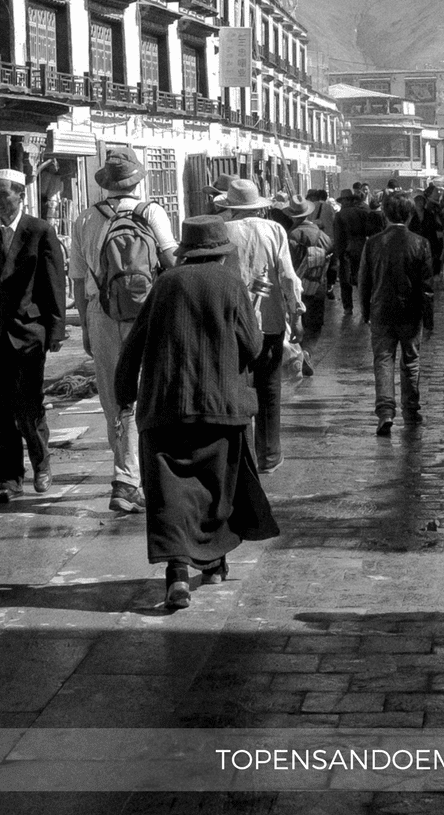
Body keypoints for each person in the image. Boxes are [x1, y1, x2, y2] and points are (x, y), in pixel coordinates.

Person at [115, 215, 277, 609]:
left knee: (170, 496)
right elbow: (253, 348)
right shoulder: (232, 285)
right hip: (220, 407)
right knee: (214, 491)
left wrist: (124, 395)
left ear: (187, 251)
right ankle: (215, 561)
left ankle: (177, 576)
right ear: (222, 254)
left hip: (165, 407)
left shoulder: (164, 285)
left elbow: (133, 346)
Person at [69, 147, 177, 514]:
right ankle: (137, 478)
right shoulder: (151, 212)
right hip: (145, 313)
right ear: (138, 180)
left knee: (114, 398)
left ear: (106, 184)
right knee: (148, 391)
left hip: (101, 313)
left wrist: (85, 326)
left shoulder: (85, 219)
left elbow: (78, 280)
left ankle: (125, 476)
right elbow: (171, 261)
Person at [222, 178, 305, 474]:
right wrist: (296, 314)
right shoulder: (274, 230)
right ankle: (270, 455)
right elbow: (287, 277)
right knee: (269, 389)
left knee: (236, 388)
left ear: (231, 206)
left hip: (232, 322)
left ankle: (241, 456)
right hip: (269, 321)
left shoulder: (223, 231)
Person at [0, 167, 66, 501]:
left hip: (28, 333)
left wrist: (55, 330)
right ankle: (10, 477)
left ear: (20, 195)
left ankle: (41, 463)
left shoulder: (39, 231)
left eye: (3, 194)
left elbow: (54, 283)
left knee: (28, 405)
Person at [358, 194, 434, 436]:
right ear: (410, 214)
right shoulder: (420, 243)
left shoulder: (373, 243)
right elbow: (426, 287)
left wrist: (365, 310)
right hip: (411, 311)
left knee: (383, 360)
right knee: (410, 360)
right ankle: (411, 407)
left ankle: (385, 412)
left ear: (385, 215)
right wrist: (429, 318)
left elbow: (364, 281)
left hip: (381, 309)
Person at [282, 195, 332, 335]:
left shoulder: (291, 235)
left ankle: (301, 355)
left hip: (297, 289)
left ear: (291, 216)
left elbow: (286, 264)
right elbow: (331, 260)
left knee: (296, 329)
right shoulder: (323, 235)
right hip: (318, 286)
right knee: (314, 329)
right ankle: (309, 354)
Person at [334, 189, 370, 314]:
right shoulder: (363, 213)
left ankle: (348, 308)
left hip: (346, 250)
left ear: (344, 201)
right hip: (361, 247)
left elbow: (338, 237)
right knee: (362, 279)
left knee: (345, 280)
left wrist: (339, 254)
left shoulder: (340, 215)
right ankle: (365, 308)